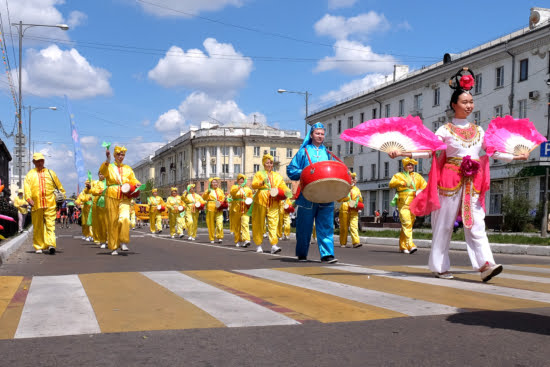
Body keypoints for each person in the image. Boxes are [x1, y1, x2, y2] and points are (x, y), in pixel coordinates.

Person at [389, 67, 528, 281]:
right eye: (464, 102)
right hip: (449, 180)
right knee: (444, 224)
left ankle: (485, 265)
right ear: (454, 105)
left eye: (471, 102)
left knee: (476, 222)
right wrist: (402, 152)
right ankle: (439, 265)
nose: (469, 105)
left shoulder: (479, 130)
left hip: (473, 180)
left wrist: (516, 156)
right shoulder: (444, 130)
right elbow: (428, 151)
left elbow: (493, 151)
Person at [287, 122, 338, 263]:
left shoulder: (328, 153)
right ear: (311, 135)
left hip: (325, 194)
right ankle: (302, 253)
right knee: (304, 226)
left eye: (322, 134)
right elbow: (291, 171)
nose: (320, 136)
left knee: (326, 225)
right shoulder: (303, 152)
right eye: (317, 133)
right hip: (307, 194)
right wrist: (305, 172)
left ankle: (327, 254)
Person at [100, 145, 141, 255]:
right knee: (113, 221)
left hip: (125, 196)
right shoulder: (108, 166)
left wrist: (136, 183)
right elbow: (102, 173)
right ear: (114, 155)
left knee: (124, 219)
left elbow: (133, 179)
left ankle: (123, 241)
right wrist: (107, 160)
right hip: (111, 195)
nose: (121, 156)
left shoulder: (128, 168)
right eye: (118, 154)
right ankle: (113, 247)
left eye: (122, 154)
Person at [24, 152, 65, 254]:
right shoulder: (30, 174)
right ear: (33, 162)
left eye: (41, 160)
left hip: (50, 204)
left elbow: (60, 188)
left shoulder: (51, 173)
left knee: (50, 225)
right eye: (37, 161)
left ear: (44, 161)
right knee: (38, 226)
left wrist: (61, 196)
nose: (39, 163)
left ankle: (51, 244)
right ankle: (39, 246)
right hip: (36, 204)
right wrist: (29, 199)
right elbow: (27, 188)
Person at [251, 154, 291, 254]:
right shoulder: (259, 174)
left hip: (274, 201)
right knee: (259, 223)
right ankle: (259, 245)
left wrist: (287, 191)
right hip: (261, 200)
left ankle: (274, 245)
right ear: (264, 163)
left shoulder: (277, 176)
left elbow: (283, 186)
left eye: (271, 163)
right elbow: (253, 185)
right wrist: (261, 183)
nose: (269, 164)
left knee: (273, 223)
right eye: (267, 162)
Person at [389, 158, 427, 254]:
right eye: (408, 165)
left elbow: (425, 185)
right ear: (404, 166)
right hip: (403, 203)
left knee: (408, 225)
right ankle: (410, 245)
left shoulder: (417, 176)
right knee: (406, 223)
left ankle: (402, 246)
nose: (410, 166)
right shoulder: (399, 175)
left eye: (411, 165)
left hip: (414, 203)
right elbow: (391, 184)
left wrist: (420, 191)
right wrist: (400, 182)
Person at [338, 172, 363, 248]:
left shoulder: (357, 190)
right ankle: (343, 242)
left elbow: (360, 200)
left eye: (354, 179)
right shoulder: (344, 188)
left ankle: (356, 242)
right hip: (344, 210)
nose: (352, 180)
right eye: (351, 178)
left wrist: (358, 200)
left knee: (354, 226)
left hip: (354, 210)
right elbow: (338, 199)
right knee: (344, 227)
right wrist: (346, 198)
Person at [229, 174, 253, 247]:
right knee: (237, 225)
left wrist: (250, 201)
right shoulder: (234, 187)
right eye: (240, 179)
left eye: (243, 179)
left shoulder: (248, 189)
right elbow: (232, 193)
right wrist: (239, 187)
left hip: (245, 208)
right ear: (237, 180)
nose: (241, 180)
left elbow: (250, 197)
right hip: (236, 208)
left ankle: (246, 239)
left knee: (245, 223)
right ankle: (237, 240)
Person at [202, 177, 225, 244]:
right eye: (213, 182)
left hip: (219, 207)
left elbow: (223, 197)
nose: (215, 184)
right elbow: (204, 197)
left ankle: (220, 237)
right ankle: (212, 238)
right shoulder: (208, 190)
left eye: (216, 182)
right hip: (210, 207)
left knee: (219, 223)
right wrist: (207, 193)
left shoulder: (220, 190)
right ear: (211, 184)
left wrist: (223, 202)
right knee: (211, 224)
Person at [90, 172, 108, 248]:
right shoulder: (97, 183)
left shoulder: (109, 181)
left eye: (102, 173)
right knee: (102, 224)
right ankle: (103, 240)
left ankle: (112, 240)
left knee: (110, 223)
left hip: (110, 202)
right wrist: (100, 192)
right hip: (100, 204)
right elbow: (93, 191)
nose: (101, 175)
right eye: (100, 174)